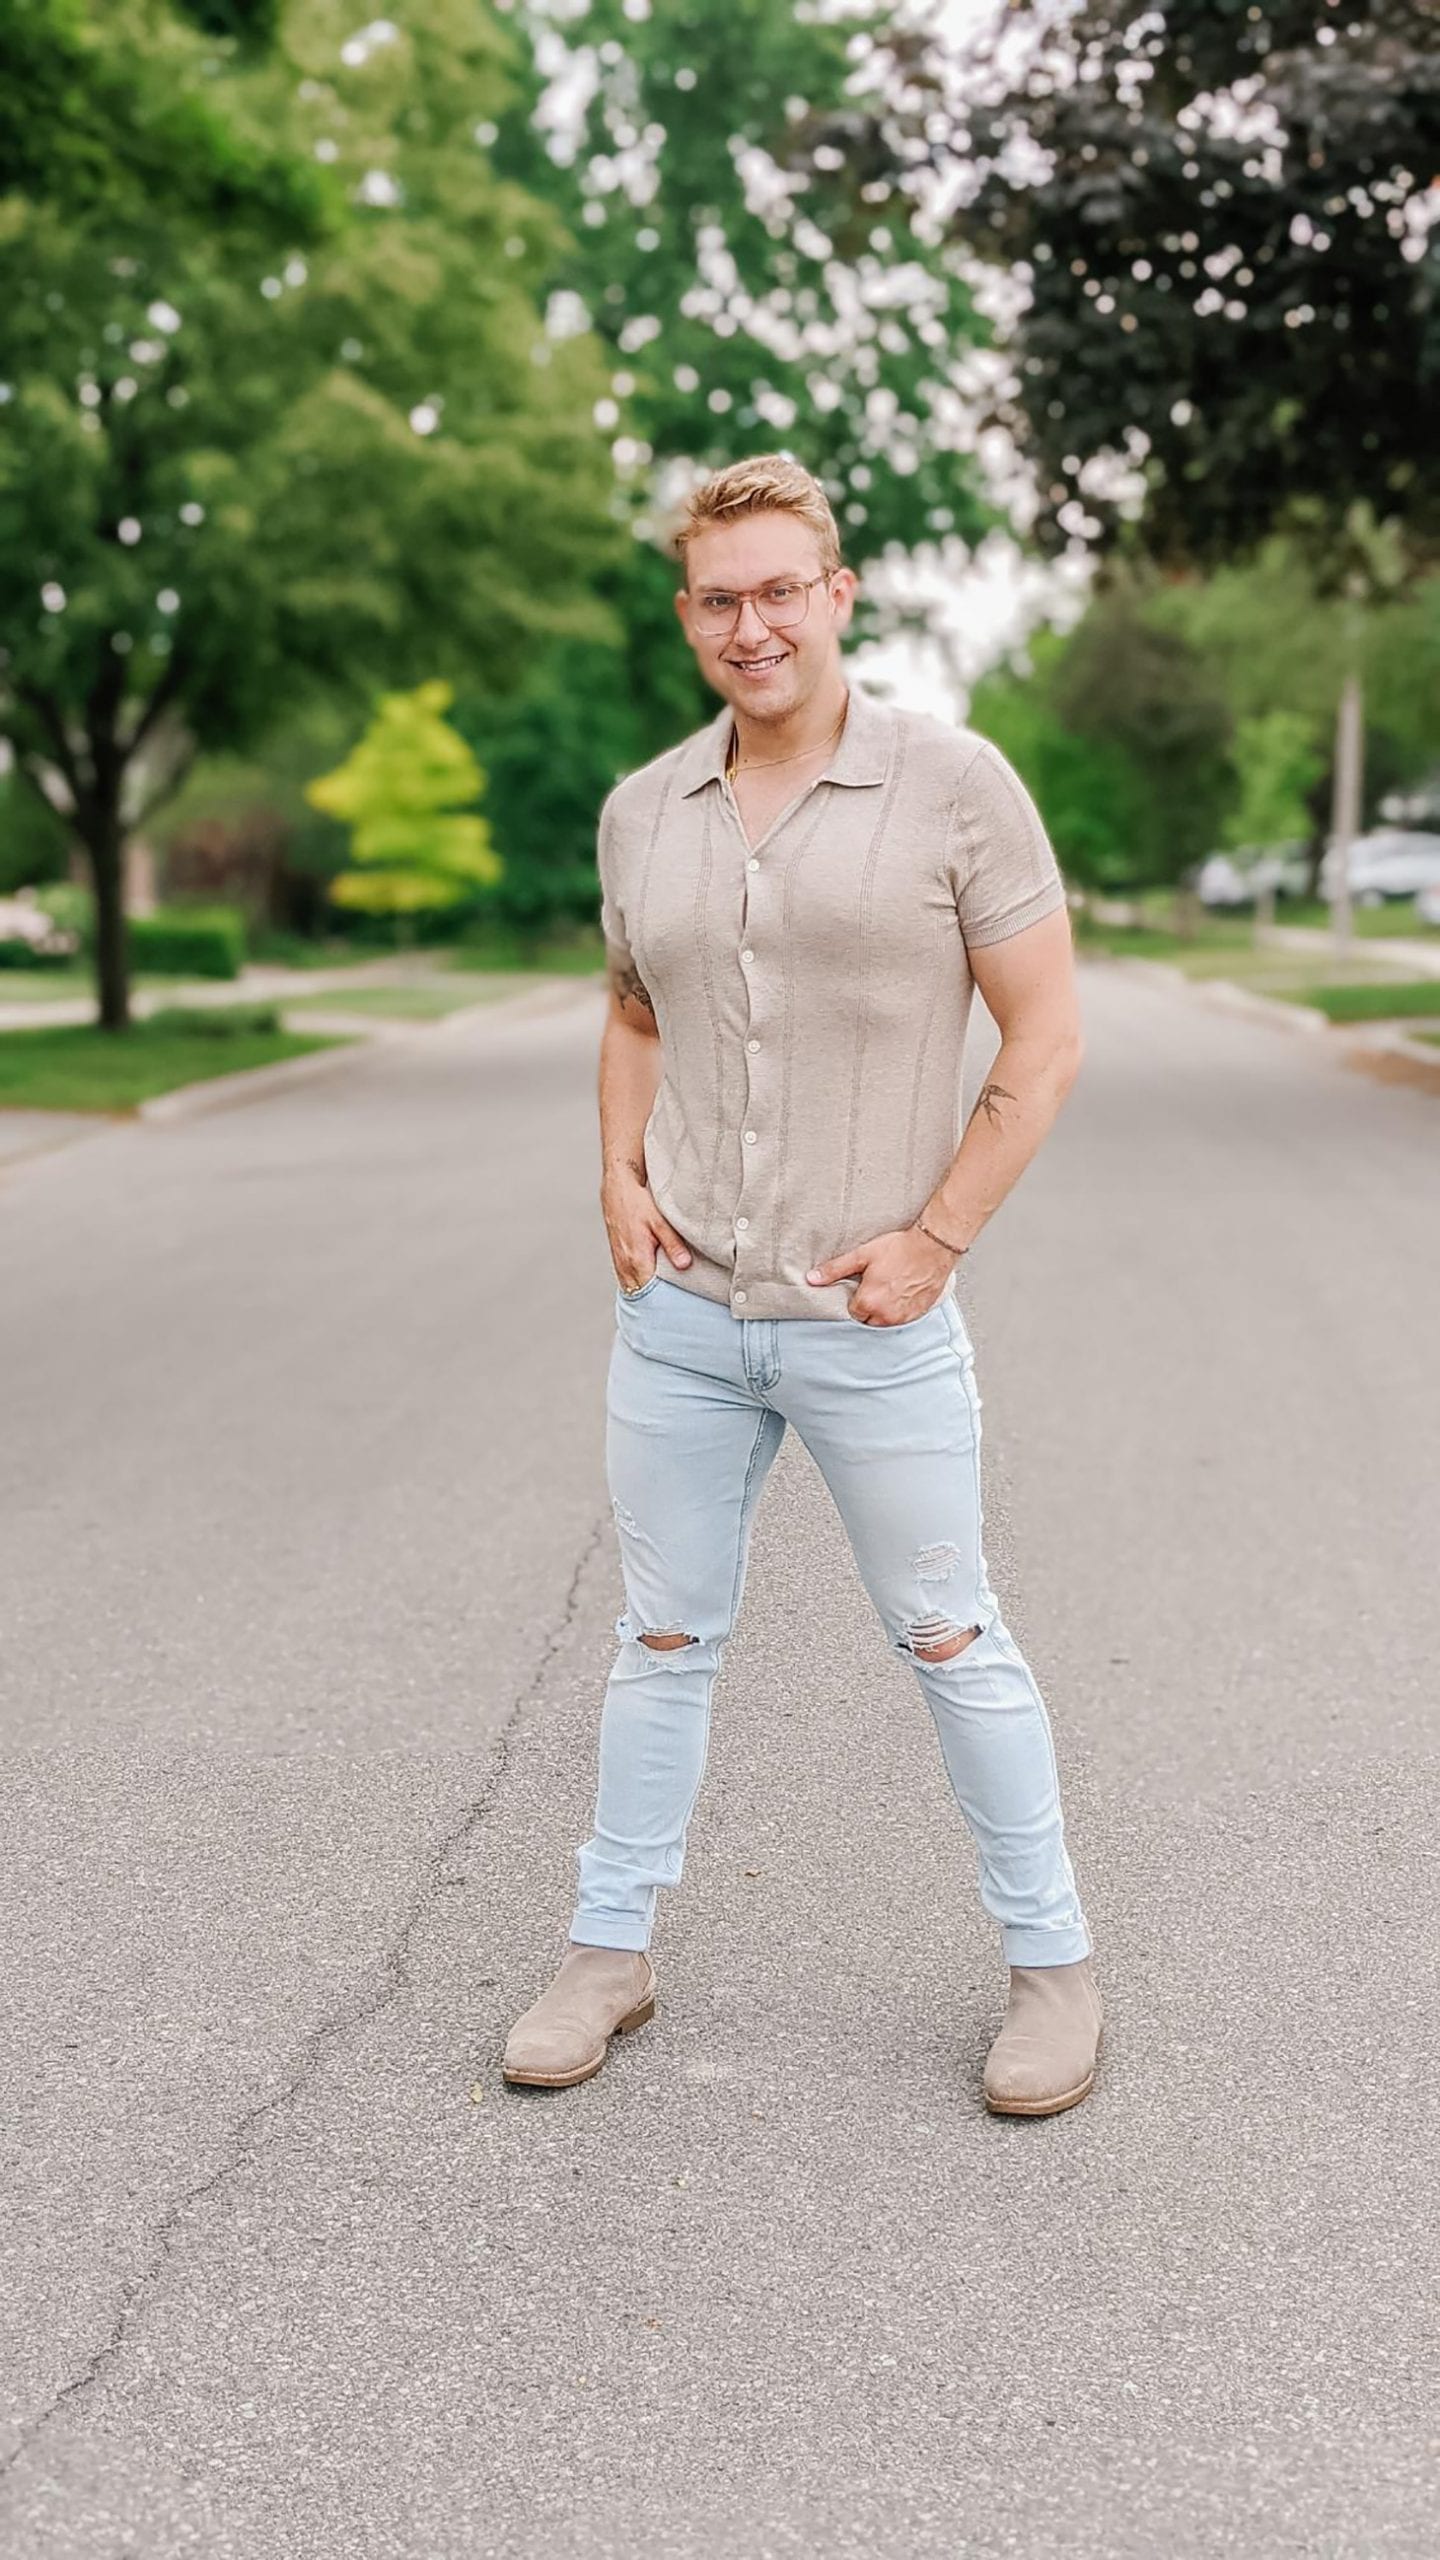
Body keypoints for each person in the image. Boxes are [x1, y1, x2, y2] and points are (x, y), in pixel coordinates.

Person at [502, 454, 1103, 2116]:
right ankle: (606, 1953)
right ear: (689, 614)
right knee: (662, 1633)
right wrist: (615, 1178)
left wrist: (936, 1239)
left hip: (870, 1319)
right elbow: (633, 1012)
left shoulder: (954, 786)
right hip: (684, 1321)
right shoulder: (647, 810)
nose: (750, 624)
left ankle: (1053, 1972)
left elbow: (1043, 1039)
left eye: (780, 589)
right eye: (719, 597)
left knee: (948, 1631)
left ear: (838, 594)